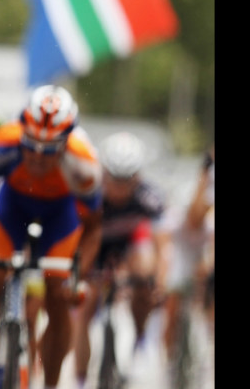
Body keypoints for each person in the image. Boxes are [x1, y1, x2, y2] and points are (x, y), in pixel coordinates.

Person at [0, 85, 103, 389]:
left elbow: (94, 226)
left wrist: (77, 276)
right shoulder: (2, 145)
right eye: (30, 144)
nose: (37, 157)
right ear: (21, 132)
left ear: (66, 142)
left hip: (60, 216)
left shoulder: (84, 164)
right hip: (12, 209)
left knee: (58, 294)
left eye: (49, 149)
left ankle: (51, 382)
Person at [72, 131, 166, 388]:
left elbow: (160, 244)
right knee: (86, 304)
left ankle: (139, 337)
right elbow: (78, 238)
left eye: (128, 181)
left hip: (129, 244)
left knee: (146, 279)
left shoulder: (150, 197)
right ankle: (80, 378)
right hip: (95, 244)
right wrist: (81, 274)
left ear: (138, 177)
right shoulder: (89, 193)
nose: (121, 188)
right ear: (103, 172)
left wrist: (156, 280)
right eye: (115, 179)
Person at [159, 144, 214, 364]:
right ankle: (171, 361)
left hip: (203, 250)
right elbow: (165, 247)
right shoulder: (177, 217)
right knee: (173, 300)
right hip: (181, 251)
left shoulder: (209, 223)